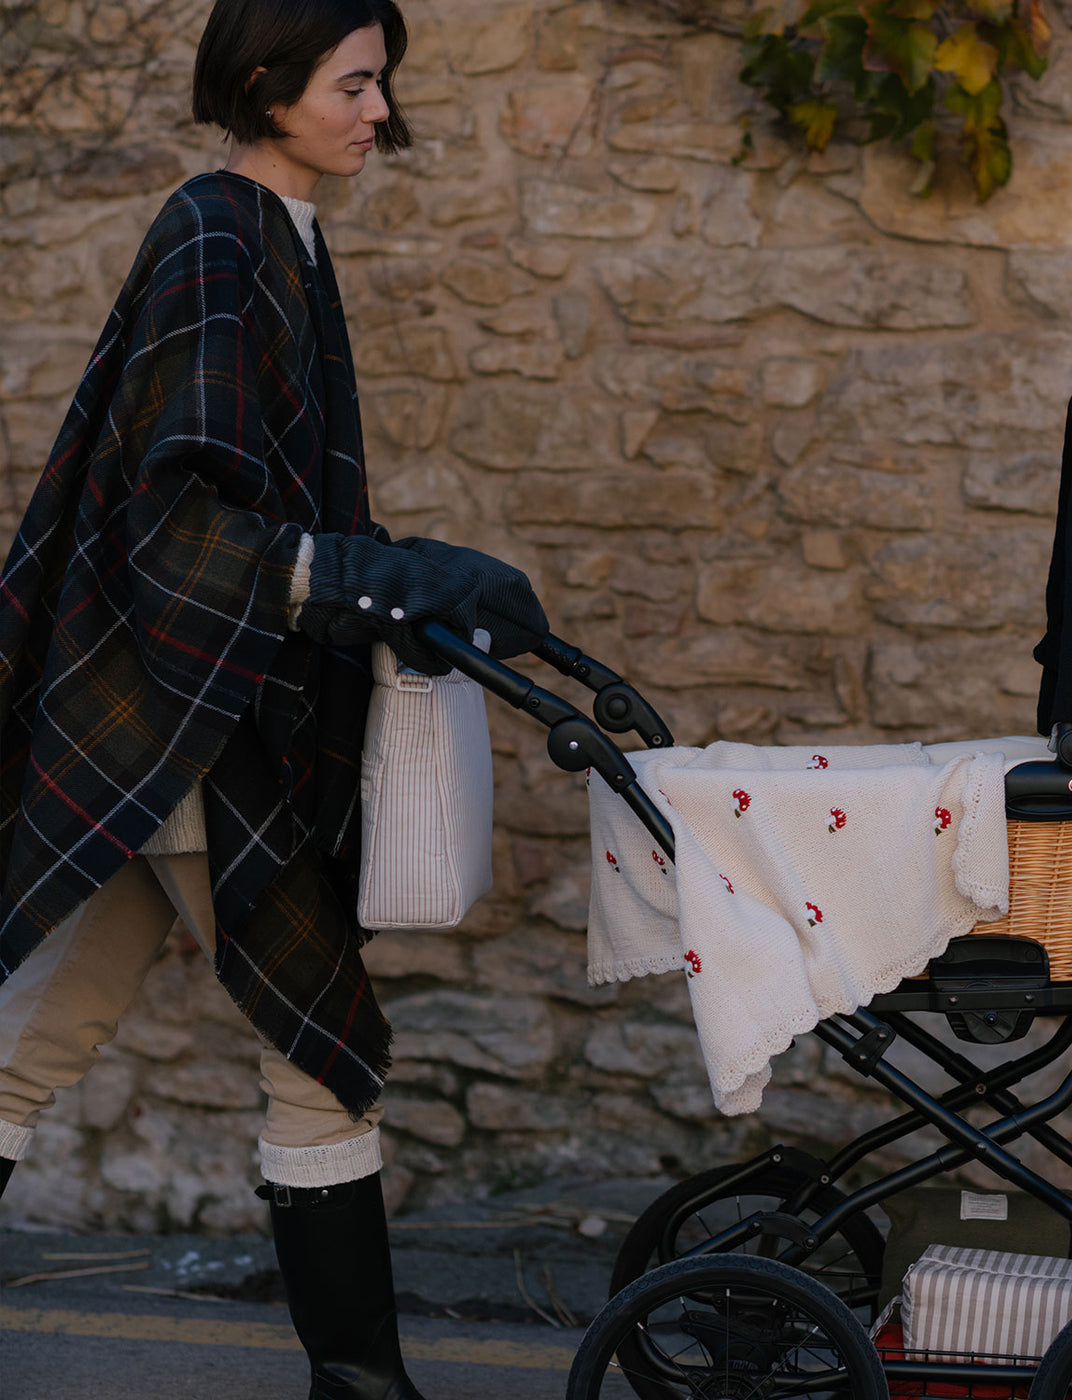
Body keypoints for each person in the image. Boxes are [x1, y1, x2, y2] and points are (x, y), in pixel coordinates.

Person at [0, 2, 548, 1395]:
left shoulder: (281, 237)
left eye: (382, 85)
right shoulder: (217, 234)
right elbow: (176, 528)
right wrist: (377, 572)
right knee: (320, 1048)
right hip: (190, 718)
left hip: (188, 714)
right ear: (265, 86)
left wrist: (385, 569)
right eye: (355, 85)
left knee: (30, 1042)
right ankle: (363, 1388)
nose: (379, 111)